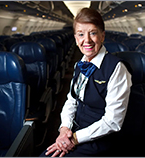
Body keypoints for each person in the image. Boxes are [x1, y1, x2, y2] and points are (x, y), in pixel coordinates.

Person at [40, 7, 132, 157]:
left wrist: (74, 139)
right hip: (76, 132)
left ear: (102, 36)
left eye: (93, 33)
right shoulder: (79, 65)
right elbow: (72, 100)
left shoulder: (117, 68)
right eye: (81, 34)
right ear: (76, 39)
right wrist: (64, 129)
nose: (87, 40)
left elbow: (113, 122)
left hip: (101, 139)